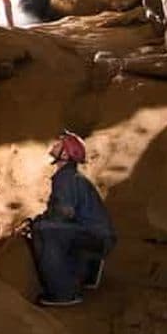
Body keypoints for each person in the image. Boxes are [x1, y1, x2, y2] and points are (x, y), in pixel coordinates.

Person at [30, 130, 116, 306]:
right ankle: (85, 272)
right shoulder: (70, 177)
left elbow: (63, 213)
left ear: (65, 153)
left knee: (45, 231)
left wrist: (40, 222)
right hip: (97, 235)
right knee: (46, 227)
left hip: (95, 236)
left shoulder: (66, 178)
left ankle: (64, 294)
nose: (54, 144)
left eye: (60, 143)